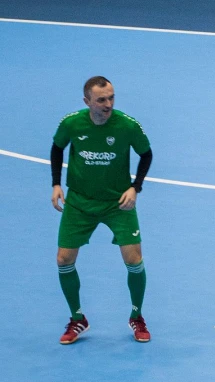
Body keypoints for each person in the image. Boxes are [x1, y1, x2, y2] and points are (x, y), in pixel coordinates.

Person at [50, 76, 154, 344]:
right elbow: (57, 148)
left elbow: (146, 154)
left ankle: (137, 316)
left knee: (134, 259)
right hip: (79, 203)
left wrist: (135, 188)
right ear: (87, 101)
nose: (108, 104)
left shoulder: (127, 125)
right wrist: (56, 184)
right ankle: (77, 319)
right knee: (63, 259)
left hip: (118, 203)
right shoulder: (72, 123)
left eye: (111, 98)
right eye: (101, 100)